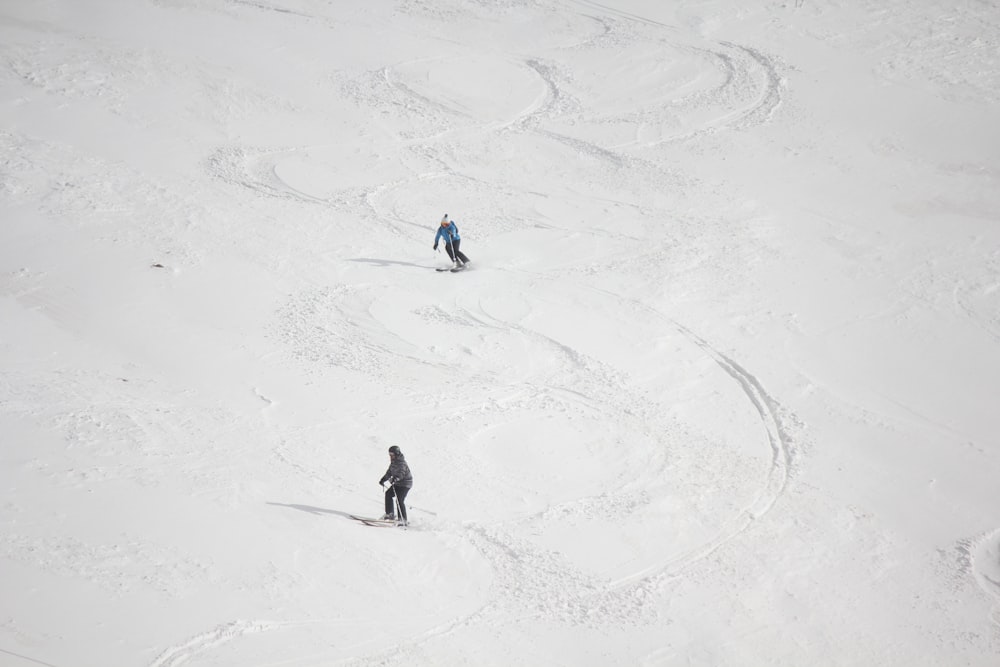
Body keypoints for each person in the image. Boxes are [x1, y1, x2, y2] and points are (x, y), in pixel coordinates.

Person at [378, 445, 413, 523]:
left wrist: (396, 478)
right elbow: (389, 472)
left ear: (396, 454)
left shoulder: (401, 463)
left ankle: (403, 519)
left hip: (405, 484)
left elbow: (401, 473)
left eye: (392, 454)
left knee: (399, 499)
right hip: (397, 483)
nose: (390, 456)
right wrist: (383, 479)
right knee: (388, 494)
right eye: (389, 454)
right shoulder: (393, 463)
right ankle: (390, 514)